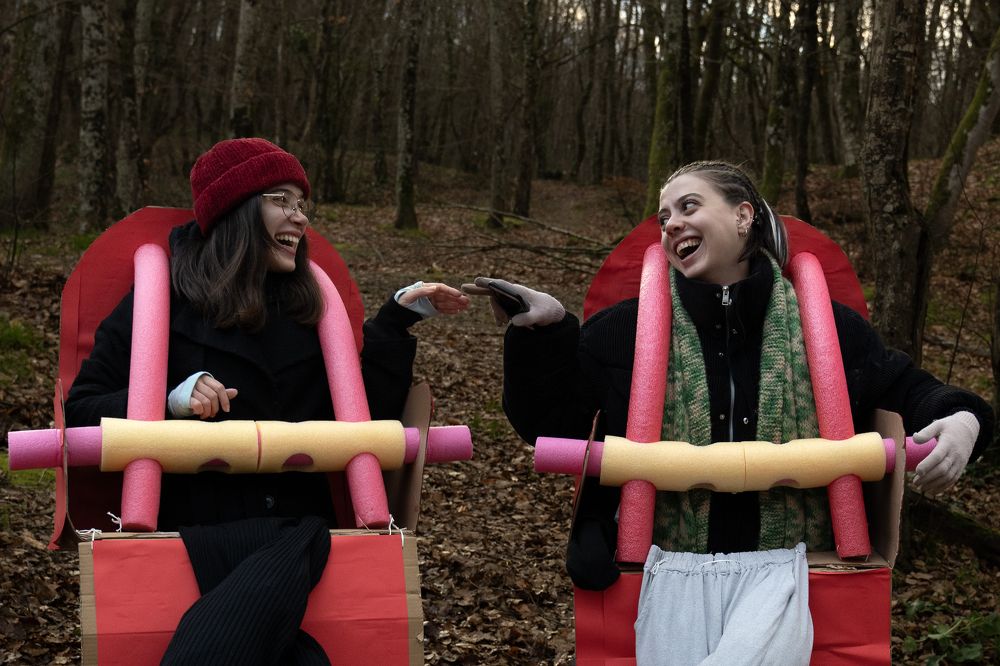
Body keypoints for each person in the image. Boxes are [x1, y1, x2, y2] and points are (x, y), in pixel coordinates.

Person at [466, 160, 993, 664]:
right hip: (664, 578)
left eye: (688, 206)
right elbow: (548, 423)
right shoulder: (621, 330)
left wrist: (964, 417)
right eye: (664, 217)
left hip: (798, 580)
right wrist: (544, 333)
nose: (671, 224)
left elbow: (907, 387)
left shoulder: (828, 327)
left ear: (744, 216)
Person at [65, 137, 469, 664]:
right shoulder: (160, 298)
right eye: (281, 200)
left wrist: (396, 320)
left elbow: (361, 416)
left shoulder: (308, 307)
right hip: (196, 537)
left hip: (301, 536)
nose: (300, 217)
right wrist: (167, 401)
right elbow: (80, 410)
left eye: (302, 204)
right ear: (234, 209)